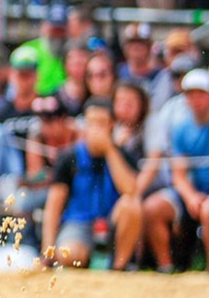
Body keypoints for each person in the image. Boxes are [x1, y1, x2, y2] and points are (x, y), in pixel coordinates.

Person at [143, 70, 209, 273]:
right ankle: (166, 267)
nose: (195, 99)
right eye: (190, 94)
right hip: (194, 189)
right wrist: (190, 197)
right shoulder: (180, 128)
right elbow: (178, 174)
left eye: (201, 93)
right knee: (152, 208)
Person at [42, 99, 142, 270]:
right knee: (70, 255)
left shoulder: (123, 154)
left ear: (112, 125)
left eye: (101, 123)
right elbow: (53, 206)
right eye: (91, 122)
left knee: (131, 205)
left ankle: (119, 268)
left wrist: (110, 150)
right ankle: (89, 262)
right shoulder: (69, 157)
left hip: (111, 223)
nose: (95, 128)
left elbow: (131, 191)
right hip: (79, 224)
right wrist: (47, 251)